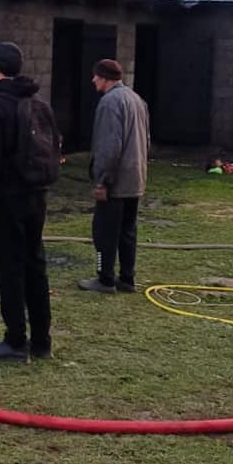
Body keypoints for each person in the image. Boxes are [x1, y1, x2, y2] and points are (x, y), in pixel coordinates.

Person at [0, 42, 60, 362]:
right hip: (37, 197)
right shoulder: (38, 103)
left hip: (6, 202)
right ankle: (42, 341)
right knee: (35, 265)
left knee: (9, 269)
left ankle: (15, 341)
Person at [78, 59, 149, 294]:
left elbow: (109, 146)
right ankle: (127, 278)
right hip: (135, 178)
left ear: (105, 78)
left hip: (115, 181)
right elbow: (146, 140)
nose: (93, 80)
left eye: (96, 76)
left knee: (104, 231)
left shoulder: (109, 103)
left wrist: (102, 180)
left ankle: (105, 278)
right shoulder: (137, 99)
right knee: (128, 230)